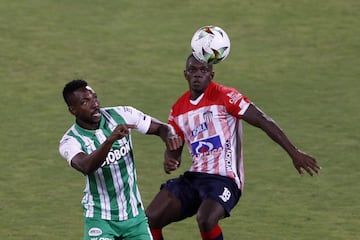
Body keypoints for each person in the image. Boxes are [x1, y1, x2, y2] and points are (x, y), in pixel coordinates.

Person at [145, 54, 321, 240]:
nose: (197, 74)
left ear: (211, 75)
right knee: (150, 218)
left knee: (206, 219)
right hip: (195, 177)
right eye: (193, 70)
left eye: (203, 70)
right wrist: (170, 160)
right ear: (185, 74)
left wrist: (294, 153)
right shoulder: (178, 109)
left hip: (224, 179)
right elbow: (174, 150)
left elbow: (263, 121)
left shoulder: (226, 96)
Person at [59, 79, 182, 240]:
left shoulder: (122, 114)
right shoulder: (70, 141)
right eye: (85, 102)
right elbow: (85, 166)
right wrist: (110, 140)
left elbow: (161, 128)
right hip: (100, 219)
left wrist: (170, 143)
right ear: (72, 110)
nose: (95, 104)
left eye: (95, 98)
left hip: (134, 218)